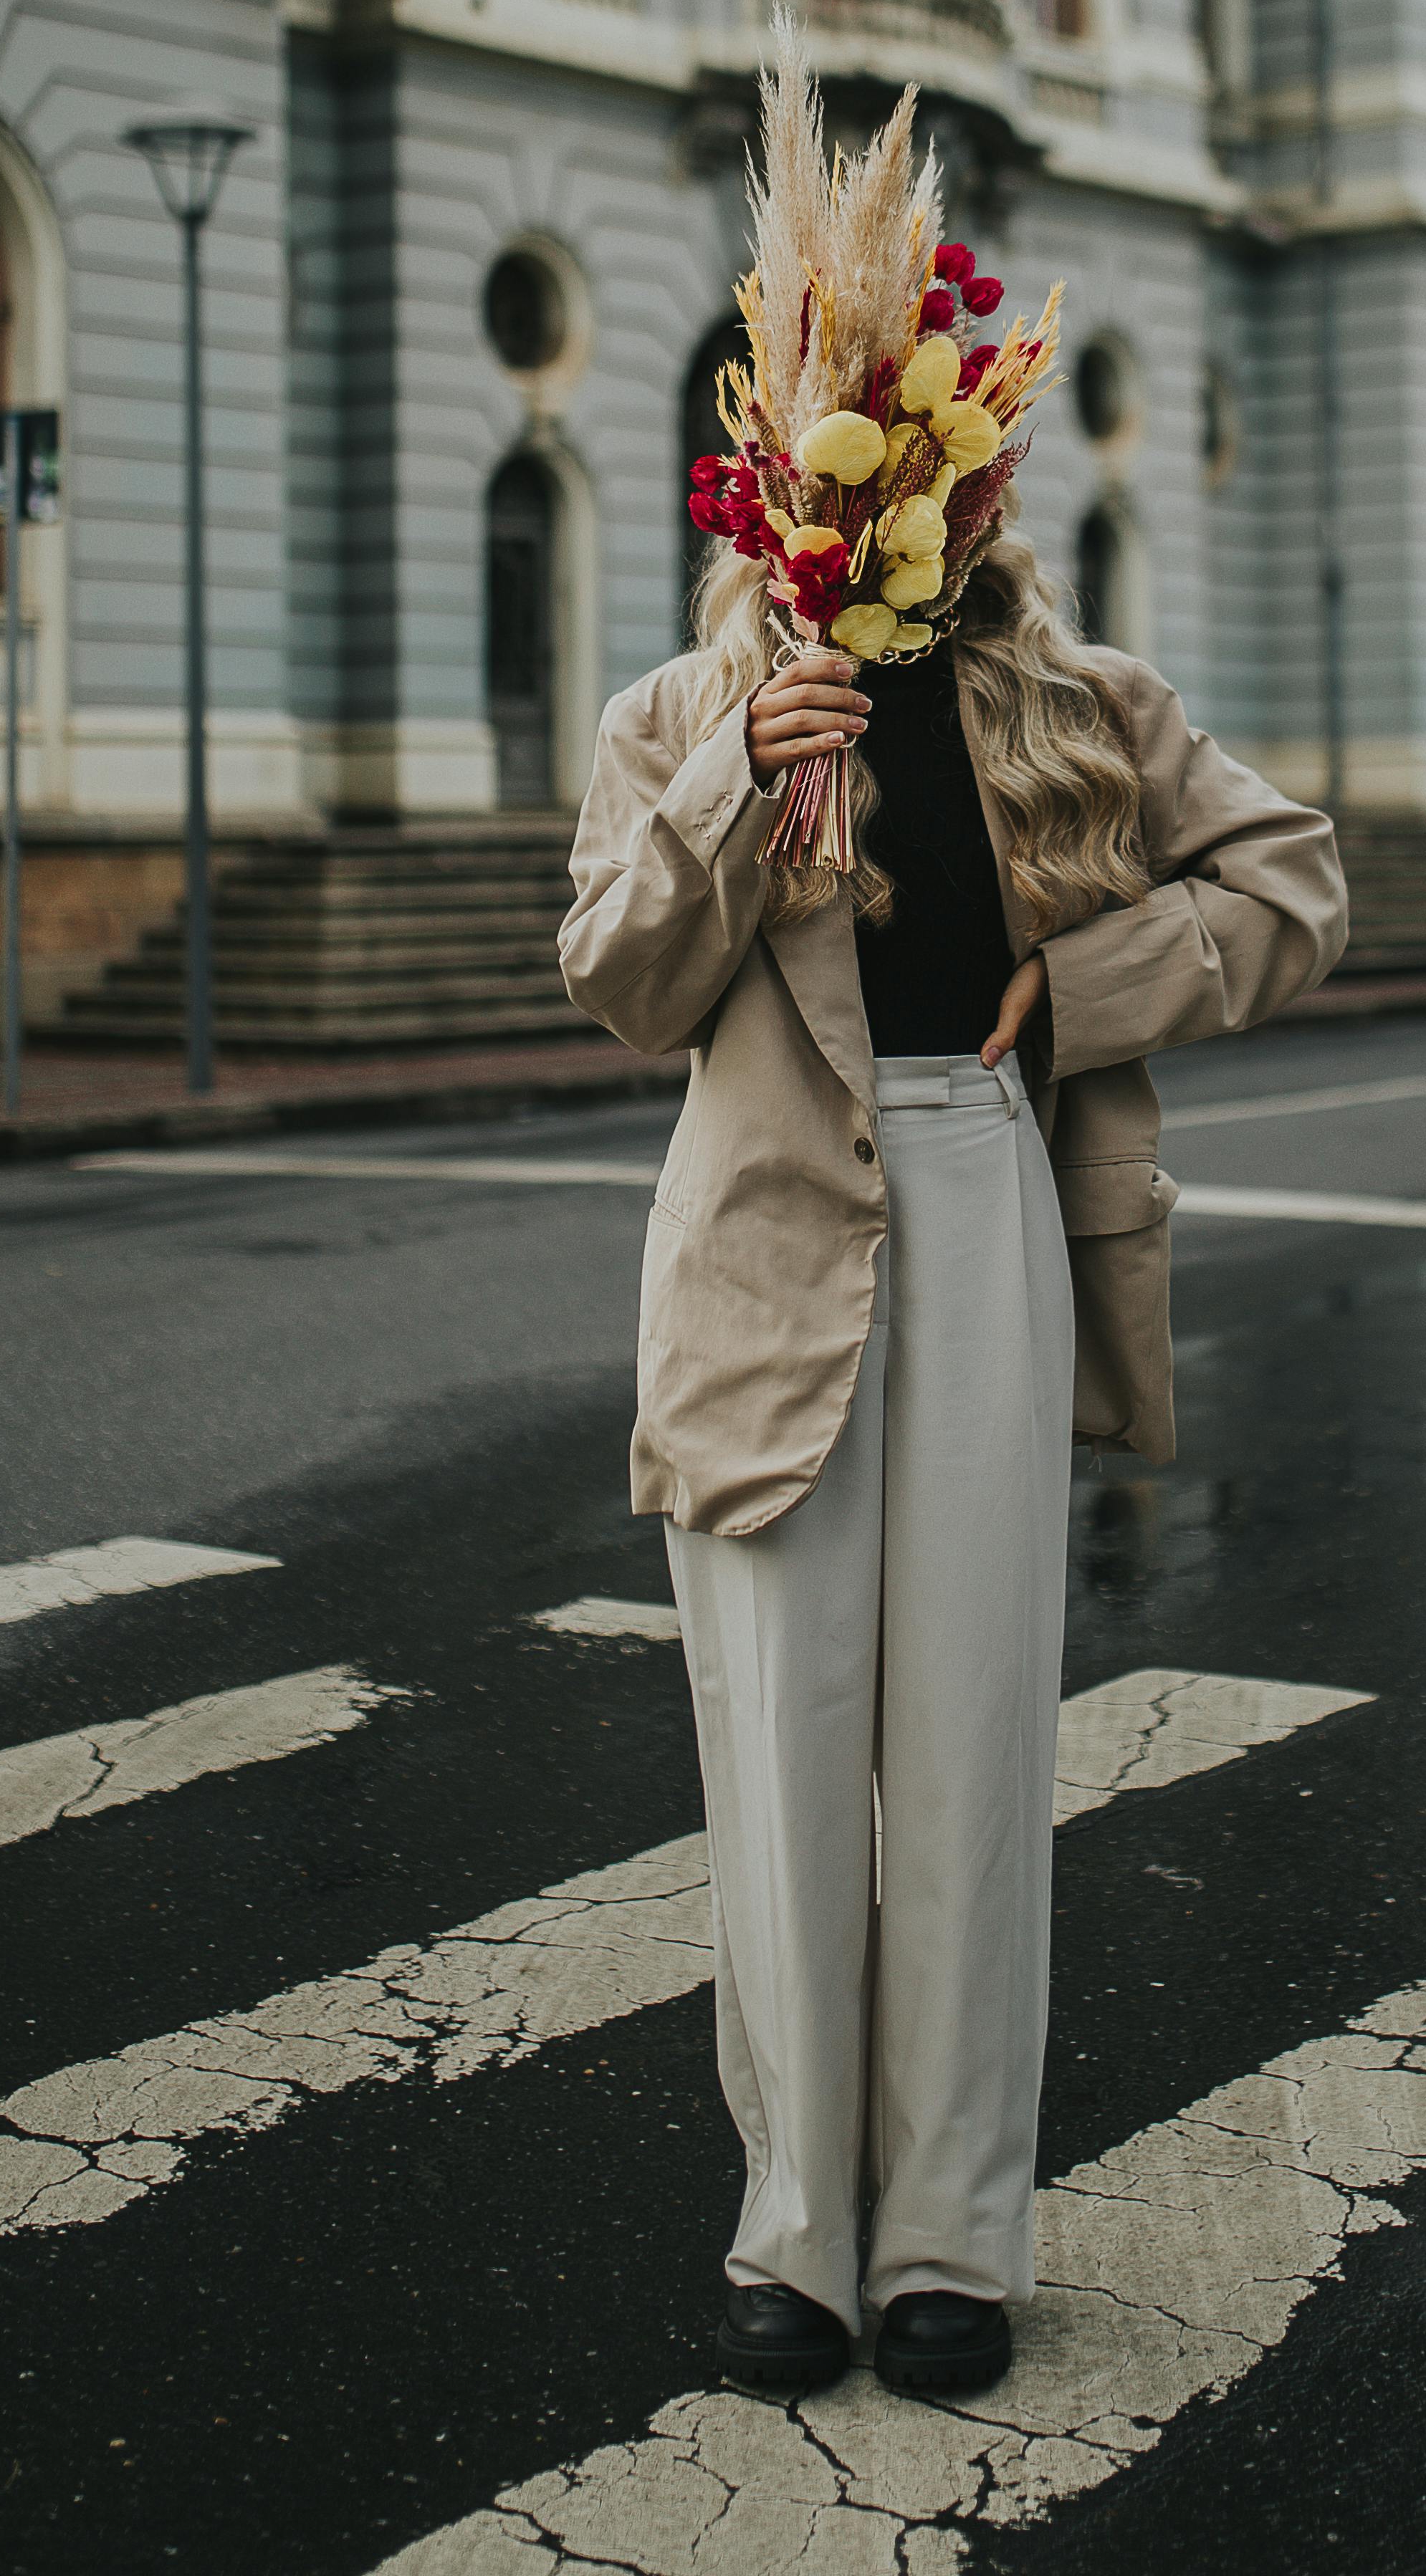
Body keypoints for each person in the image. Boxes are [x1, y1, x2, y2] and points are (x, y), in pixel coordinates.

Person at [559, 519, 1349, 2406]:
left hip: (992, 1193)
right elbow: (617, 977)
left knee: (977, 1744)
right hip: (762, 1244)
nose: (920, 497)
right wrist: (741, 780)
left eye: (951, 462)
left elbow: (1294, 886)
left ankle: (951, 2246)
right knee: (784, 1742)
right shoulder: (684, 709)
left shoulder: (1080, 704)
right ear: (772, 489)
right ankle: (797, 2238)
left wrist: (1092, 993)